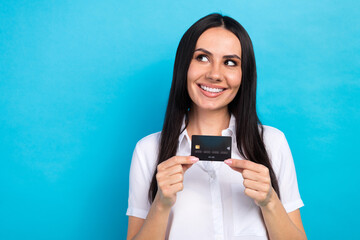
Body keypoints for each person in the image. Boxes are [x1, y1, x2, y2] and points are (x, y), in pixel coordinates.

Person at [126, 13, 307, 240]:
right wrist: (161, 204)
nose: (214, 74)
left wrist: (270, 201)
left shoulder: (271, 142)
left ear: (244, 76)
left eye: (230, 62)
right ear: (184, 65)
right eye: (202, 58)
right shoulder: (148, 150)